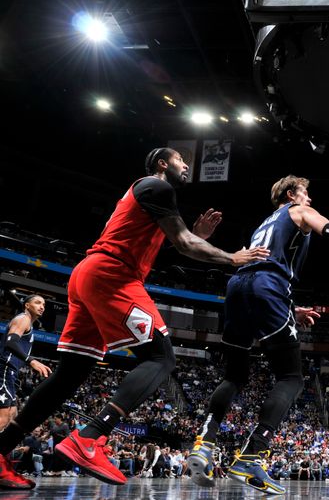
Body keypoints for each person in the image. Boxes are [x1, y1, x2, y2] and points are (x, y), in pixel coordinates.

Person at [0, 147, 268, 489]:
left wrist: (195, 237)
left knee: (70, 374)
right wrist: (232, 257)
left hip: (88, 275)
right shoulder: (158, 187)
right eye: (181, 160)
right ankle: (90, 437)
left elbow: (170, 248)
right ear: (162, 164)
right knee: (161, 357)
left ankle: (1, 451)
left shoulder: (148, 197)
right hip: (113, 275)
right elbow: (183, 244)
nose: (187, 166)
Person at [187, 175, 329, 495]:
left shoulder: (262, 225)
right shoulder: (298, 211)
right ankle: (251, 455)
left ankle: (203, 445)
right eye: (307, 194)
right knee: (291, 377)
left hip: (238, 288)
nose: (310, 200)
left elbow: (257, 272)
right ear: (293, 195)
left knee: (235, 374)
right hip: (268, 289)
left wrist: (291, 310)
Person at [0, 295, 51, 432]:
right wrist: (31, 361)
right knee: (3, 418)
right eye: (37, 303)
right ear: (27, 305)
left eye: (44, 304)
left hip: (11, 371)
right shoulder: (23, 319)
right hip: (4, 369)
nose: (42, 307)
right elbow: (11, 342)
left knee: (12, 416)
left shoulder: (29, 324)